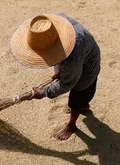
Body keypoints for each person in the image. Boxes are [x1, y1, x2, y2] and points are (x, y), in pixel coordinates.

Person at [9, 12, 101, 140]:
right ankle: (83, 105)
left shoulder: (71, 57)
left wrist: (43, 93)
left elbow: (67, 84)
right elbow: (61, 58)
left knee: (78, 95)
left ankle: (72, 124)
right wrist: (59, 70)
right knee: (81, 91)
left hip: (88, 65)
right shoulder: (54, 24)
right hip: (81, 54)